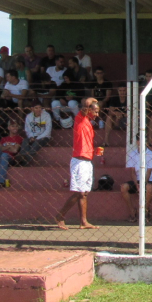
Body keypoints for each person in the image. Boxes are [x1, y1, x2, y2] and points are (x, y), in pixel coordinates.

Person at [54, 97, 101, 230]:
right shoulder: (80, 119)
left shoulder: (89, 124)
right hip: (80, 161)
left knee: (84, 193)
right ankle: (60, 216)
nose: (97, 115)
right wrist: (92, 99)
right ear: (87, 110)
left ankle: (83, 222)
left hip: (87, 160)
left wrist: (94, 151)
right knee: (79, 192)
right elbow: (85, 103)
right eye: (95, 111)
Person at [122, 141, 152, 219]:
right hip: (137, 180)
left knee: (149, 187)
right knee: (124, 187)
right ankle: (132, 210)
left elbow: (149, 172)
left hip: (148, 180)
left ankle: (145, 209)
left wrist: (143, 183)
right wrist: (136, 184)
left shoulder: (151, 154)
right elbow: (132, 172)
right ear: (138, 142)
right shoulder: (132, 154)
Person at [20, 99, 52, 164]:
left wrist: (37, 138)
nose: (38, 110)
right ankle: (21, 157)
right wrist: (32, 137)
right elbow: (27, 129)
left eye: (40, 108)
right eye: (36, 108)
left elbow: (48, 130)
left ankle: (25, 161)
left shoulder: (46, 115)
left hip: (44, 137)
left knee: (36, 143)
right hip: (32, 136)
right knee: (25, 141)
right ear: (32, 109)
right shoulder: (29, 116)